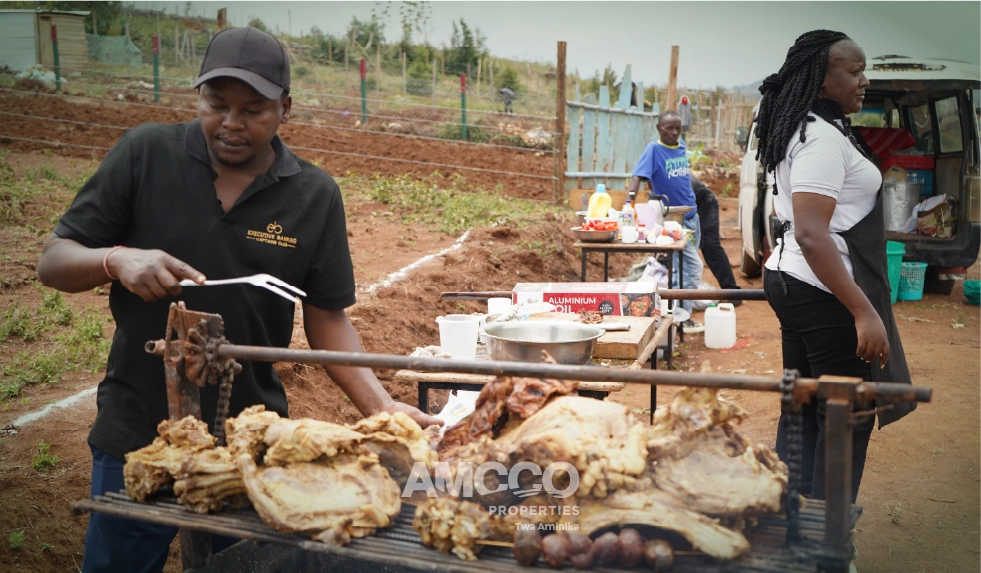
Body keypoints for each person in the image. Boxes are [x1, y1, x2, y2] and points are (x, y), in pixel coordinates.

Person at [36, 27, 440, 573]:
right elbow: (53, 261)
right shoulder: (145, 153)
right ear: (198, 98)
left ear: (285, 109)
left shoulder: (312, 194)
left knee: (242, 565)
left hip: (249, 440)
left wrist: (382, 408)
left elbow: (326, 318)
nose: (231, 123)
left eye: (253, 109)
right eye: (216, 104)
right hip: (138, 426)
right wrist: (116, 260)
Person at [755, 30, 915, 503]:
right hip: (821, 290)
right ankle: (827, 541)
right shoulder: (821, 138)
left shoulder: (815, 127)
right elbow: (810, 231)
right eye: (854, 71)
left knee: (802, 409)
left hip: (797, 281)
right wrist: (864, 312)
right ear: (821, 79)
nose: (864, 81)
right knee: (846, 414)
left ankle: (793, 523)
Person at [627, 110, 705, 333]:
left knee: (682, 270)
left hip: (692, 216)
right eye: (669, 128)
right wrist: (627, 203)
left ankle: (677, 317)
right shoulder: (654, 150)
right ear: (659, 128)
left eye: (677, 128)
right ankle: (683, 318)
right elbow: (637, 177)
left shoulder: (680, 147)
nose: (674, 132)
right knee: (691, 268)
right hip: (673, 222)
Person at [690, 174, 742, 305]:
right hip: (690, 209)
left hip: (705, 205)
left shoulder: (678, 179)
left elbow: (688, 202)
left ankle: (732, 292)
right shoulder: (658, 185)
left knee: (710, 245)